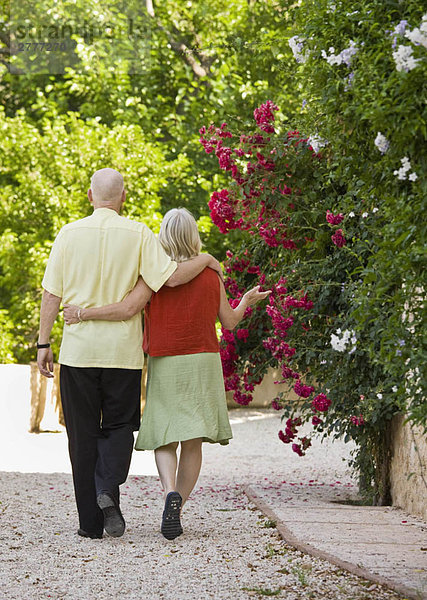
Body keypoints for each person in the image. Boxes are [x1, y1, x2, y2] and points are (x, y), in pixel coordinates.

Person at [37, 169, 223, 540]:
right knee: (120, 428)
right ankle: (108, 487)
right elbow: (170, 278)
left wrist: (44, 343)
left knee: (81, 435)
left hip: (78, 354)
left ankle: (90, 524)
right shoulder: (139, 233)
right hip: (122, 356)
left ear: (90, 195)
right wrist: (206, 260)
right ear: (123, 197)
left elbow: (51, 295)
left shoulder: (68, 234)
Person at [63, 207, 270, 540]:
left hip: (166, 361)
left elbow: (127, 308)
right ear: (193, 235)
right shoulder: (211, 273)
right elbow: (229, 322)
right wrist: (245, 300)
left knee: (164, 437)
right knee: (193, 442)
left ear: (163, 236)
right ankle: (177, 505)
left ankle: (168, 490)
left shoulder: (154, 276)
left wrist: (83, 313)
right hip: (203, 360)